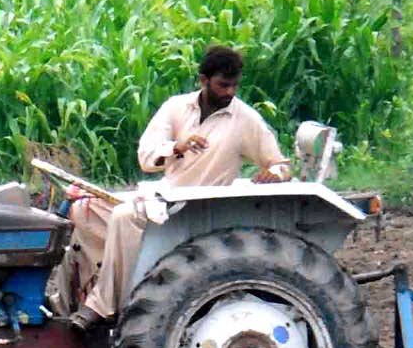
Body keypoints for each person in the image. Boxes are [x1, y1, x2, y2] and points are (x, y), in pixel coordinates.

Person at [68, 45, 291, 331]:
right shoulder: (176, 107)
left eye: (234, 85)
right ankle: (80, 296)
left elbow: (280, 163)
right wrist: (177, 147)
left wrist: (273, 173)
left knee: (125, 217)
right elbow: (147, 156)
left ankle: (104, 307)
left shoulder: (244, 119)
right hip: (166, 197)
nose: (230, 93)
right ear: (203, 80)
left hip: (199, 207)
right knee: (85, 211)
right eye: (223, 85)